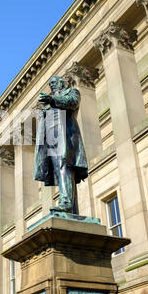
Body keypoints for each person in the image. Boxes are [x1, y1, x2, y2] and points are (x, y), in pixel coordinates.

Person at [34, 75, 88, 213]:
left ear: (62, 83)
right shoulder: (48, 104)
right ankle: (65, 200)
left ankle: (66, 202)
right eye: (50, 83)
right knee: (57, 168)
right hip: (51, 136)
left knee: (64, 165)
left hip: (66, 134)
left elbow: (72, 102)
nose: (52, 85)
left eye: (54, 82)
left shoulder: (72, 92)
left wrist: (52, 99)